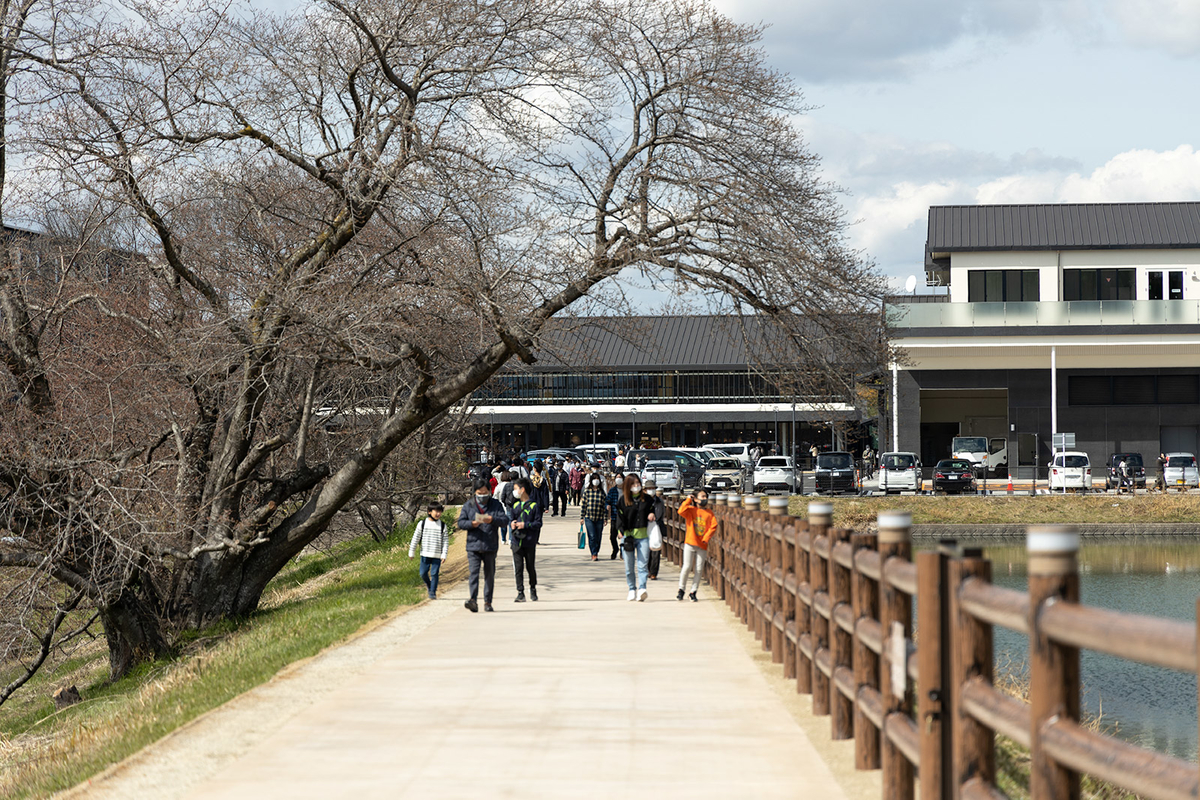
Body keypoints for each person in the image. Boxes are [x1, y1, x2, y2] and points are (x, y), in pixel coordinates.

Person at [456, 478, 509, 613]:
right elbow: (461, 523)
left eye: (485, 493)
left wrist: (493, 520)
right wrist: (471, 524)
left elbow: (504, 520)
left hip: (490, 545)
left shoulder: (495, 504)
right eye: (480, 493)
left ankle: (487, 601)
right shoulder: (469, 505)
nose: (482, 496)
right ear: (475, 492)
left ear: (489, 492)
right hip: (473, 545)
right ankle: (472, 600)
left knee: (489, 574)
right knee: (473, 573)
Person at [616, 474, 656, 601]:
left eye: (638, 483)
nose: (636, 486)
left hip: (643, 536)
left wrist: (651, 514)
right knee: (629, 566)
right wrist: (620, 530)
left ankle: (642, 588)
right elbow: (619, 517)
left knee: (642, 565)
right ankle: (632, 588)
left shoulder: (648, 499)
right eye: (633, 484)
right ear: (628, 486)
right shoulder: (623, 501)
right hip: (628, 536)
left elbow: (653, 509)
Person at [677, 489, 717, 602]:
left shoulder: (709, 513)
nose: (704, 499)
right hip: (690, 542)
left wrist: (706, 538)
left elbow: (713, 526)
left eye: (705, 497)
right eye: (702, 496)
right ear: (696, 499)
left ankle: (693, 591)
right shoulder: (690, 510)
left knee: (699, 569)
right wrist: (688, 499)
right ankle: (681, 589)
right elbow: (680, 511)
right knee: (687, 567)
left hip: (702, 544)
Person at [509, 477, 543, 602]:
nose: (514, 492)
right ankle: (520, 592)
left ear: (522, 490)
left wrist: (525, 525)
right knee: (518, 568)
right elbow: (511, 520)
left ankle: (533, 589)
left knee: (530, 567)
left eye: (516, 489)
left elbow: (538, 523)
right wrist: (512, 524)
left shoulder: (534, 506)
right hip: (516, 541)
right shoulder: (515, 505)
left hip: (529, 541)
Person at [408, 502, 449, 600]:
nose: (438, 514)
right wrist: (411, 552)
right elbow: (415, 538)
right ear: (429, 512)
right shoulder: (422, 524)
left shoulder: (443, 526)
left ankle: (432, 592)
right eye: (436, 511)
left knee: (434, 573)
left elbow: (445, 541)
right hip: (425, 554)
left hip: (437, 555)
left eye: (440, 511)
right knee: (423, 573)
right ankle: (429, 584)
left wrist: (444, 554)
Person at [580, 471, 608, 561]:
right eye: (594, 479)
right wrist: (582, 517)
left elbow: (605, 506)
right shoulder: (587, 491)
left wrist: (605, 518)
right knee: (592, 536)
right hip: (589, 518)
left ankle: (596, 550)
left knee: (598, 537)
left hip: (599, 518)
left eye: (597, 479)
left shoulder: (602, 493)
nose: (596, 481)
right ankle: (594, 553)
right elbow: (584, 504)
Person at [644, 480, 665, 580]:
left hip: (656, 526)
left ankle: (654, 572)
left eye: (653, 489)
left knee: (656, 551)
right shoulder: (642, 501)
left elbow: (661, 513)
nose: (651, 490)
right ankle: (648, 569)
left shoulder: (659, 501)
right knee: (647, 551)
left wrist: (655, 518)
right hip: (645, 527)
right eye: (649, 489)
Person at [493, 469, 514, 544]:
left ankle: (503, 538)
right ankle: (510, 539)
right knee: (511, 523)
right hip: (510, 506)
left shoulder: (499, 486)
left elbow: (495, 496)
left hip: (501, 507)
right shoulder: (512, 485)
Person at [606, 472, 624, 559]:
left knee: (623, 535)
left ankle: (622, 551)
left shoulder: (626, 491)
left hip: (624, 517)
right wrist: (607, 505)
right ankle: (615, 549)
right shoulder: (612, 490)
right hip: (614, 515)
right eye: (617, 477)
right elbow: (607, 500)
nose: (618, 479)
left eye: (620, 477)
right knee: (612, 536)